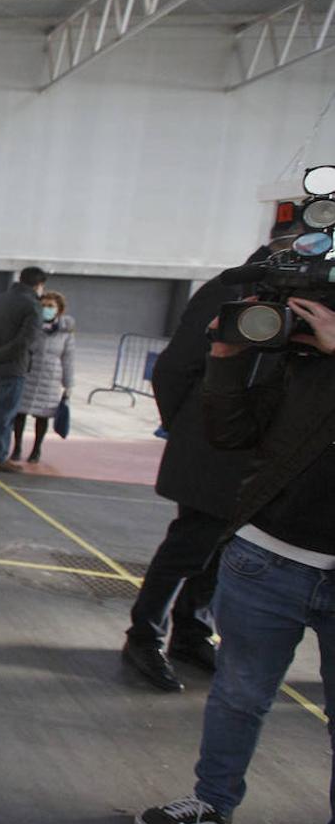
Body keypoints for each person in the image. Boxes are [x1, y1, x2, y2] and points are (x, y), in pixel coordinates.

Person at [136, 295, 335, 824]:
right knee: (238, 697)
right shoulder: (301, 360)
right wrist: (225, 356)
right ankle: (212, 803)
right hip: (266, 561)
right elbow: (230, 433)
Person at [124, 234, 292, 694]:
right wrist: (190, 427)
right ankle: (144, 636)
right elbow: (174, 368)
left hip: (251, 457)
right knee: (189, 547)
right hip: (213, 449)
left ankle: (191, 632)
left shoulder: (288, 306)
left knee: (218, 552)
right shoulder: (229, 294)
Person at [0, 266, 47, 472]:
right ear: (39, 285)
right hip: (12, 367)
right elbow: (25, 340)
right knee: (4, 413)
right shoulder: (33, 306)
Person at [12, 290, 76, 463]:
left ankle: (36, 449)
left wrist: (68, 385)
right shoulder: (31, 325)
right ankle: (16, 447)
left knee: (42, 416)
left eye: (50, 306)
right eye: (43, 306)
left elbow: (68, 358)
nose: (46, 309)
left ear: (59, 309)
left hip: (51, 377)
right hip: (29, 373)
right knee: (20, 412)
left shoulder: (66, 332)